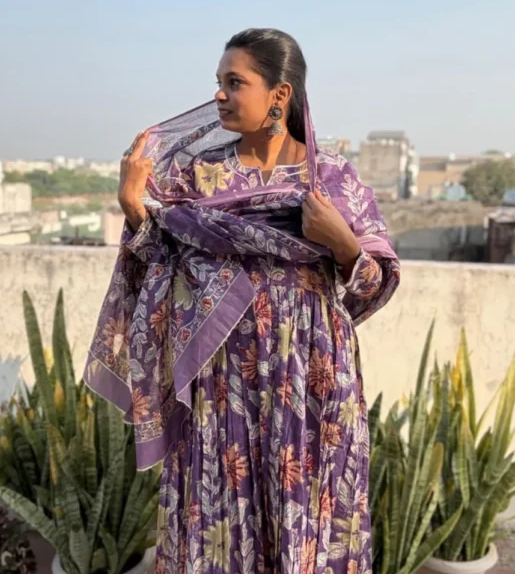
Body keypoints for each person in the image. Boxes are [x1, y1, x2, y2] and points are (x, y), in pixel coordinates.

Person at [85, 28, 400, 574]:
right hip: (221, 380)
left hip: (311, 377)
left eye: (235, 82)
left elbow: (374, 285)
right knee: (220, 517)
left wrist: (343, 243)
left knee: (308, 516)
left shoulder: (331, 178)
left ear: (280, 95)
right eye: (219, 82)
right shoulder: (199, 176)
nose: (220, 95)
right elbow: (161, 263)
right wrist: (134, 205)